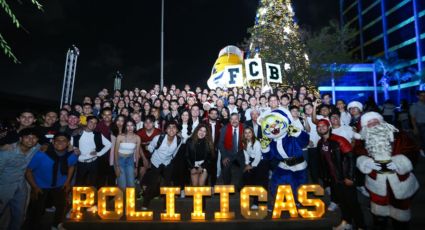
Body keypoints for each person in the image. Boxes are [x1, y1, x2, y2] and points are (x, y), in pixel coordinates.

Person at [357, 112, 419, 230]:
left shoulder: (398, 135)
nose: (373, 124)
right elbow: (358, 152)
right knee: (379, 212)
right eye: (369, 123)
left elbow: (412, 150)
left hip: (399, 180)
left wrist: (400, 162)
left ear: (382, 122)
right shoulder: (363, 139)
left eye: (375, 121)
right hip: (376, 182)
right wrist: (365, 162)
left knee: (401, 212)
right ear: (365, 127)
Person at [317, 119, 365, 230]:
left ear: (329, 127)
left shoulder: (339, 140)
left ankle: (361, 226)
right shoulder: (320, 142)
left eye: (324, 126)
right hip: (334, 179)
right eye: (319, 126)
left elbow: (351, 158)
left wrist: (350, 176)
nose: (321, 128)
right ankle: (346, 223)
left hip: (345, 178)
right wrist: (326, 178)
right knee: (342, 202)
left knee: (353, 203)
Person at [25, 133, 77, 230]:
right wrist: (34, 187)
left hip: (60, 184)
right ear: (53, 142)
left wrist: (67, 182)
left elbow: (71, 166)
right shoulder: (42, 154)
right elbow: (28, 171)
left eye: (64, 140)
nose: (60, 142)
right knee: (37, 209)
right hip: (41, 186)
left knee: (62, 205)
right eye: (58, 140)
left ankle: (56, 224)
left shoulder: (71, 155)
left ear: (68, 143)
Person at [0, 128, 40, 230]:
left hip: (21, 185)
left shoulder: (35, 148)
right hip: (4, 186)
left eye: (34, 138)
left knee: (19, 214)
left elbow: (54, 145)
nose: (31, 140)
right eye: (27, 137)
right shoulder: (7, 152)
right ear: (20, 138)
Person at [142, 121, 182, 209]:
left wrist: (170, 159)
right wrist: (150, 152)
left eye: (174, 127)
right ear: (166, 130)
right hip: (156, 162)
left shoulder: (179, 140)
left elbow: (175, 152)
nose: (171, 129)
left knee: (167, 184)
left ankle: (166, 206)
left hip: (167, 163)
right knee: (152, 183)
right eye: (169, 127)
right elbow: (150, 147)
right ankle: (145, 204)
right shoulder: (159, 138)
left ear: (177, 130)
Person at [72, 116, 111, 201]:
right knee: (79, 184)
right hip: (81, 162)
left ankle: (90, 202)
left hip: (93, 162)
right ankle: (76, 204)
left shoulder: (98, 134)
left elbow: (109, 144)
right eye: (91, 122)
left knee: (92, 183)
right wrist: (75, 149)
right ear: (86, 122)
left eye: (95, 123)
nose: (92, 124)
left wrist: (98, 153)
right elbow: (71, 144)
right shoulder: (78, 133)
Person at [242, 127, 268, 209]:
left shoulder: (257, 142)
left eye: (249, 132)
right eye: (246, 133)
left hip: (261, 162)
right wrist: (246, 164)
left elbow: (258, 157)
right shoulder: (244, 142)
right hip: (252, 161)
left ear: (252, 133)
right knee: (247, 177)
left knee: (259, 182)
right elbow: (246, 154)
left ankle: (257, 203)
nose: (248, 134)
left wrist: (251, 166)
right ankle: (254, 197)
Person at [114, 119, 142, 190]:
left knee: (131, 185)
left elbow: (137, 153)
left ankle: (130, 200)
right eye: (128, 126)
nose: (130, 128)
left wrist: (136, 167)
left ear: (134, 127)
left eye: (132, 125)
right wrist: (117, 166)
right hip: (120, 160)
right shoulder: (120, 137)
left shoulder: (137, 138)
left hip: (130, 160)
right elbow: (115, 152)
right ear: (125, 127)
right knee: (123, 186)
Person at [218, 113, 244, 188]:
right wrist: (224, 156)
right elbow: (221, 143)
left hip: (241, 153)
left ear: (239, 119)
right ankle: (227, 186)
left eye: (236, 119)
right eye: (232, 119)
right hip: (228, 153)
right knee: (225, 168)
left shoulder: (244, 127)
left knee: (245, 168)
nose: (234, 121)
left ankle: (242, 186)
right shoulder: (224, 128)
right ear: (229, 120)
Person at [410, 90, 425, 157]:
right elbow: (413, 118)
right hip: (421, 125)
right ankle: (422, 150)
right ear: (418, 97)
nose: (424, 97)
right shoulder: (415, 106)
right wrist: (415, 128)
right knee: (422, 139)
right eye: (422, 95)